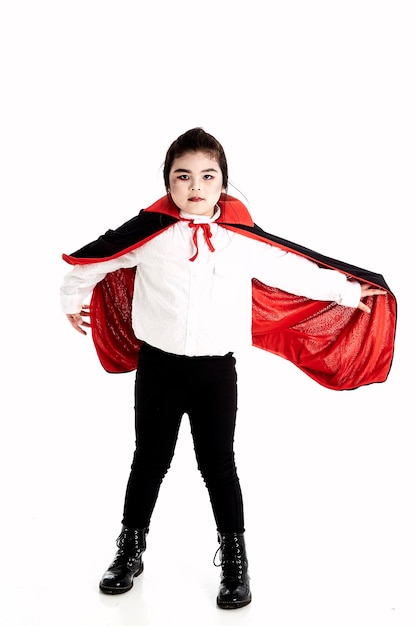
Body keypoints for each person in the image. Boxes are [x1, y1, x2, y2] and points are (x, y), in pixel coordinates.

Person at [60, 128, 395, 609]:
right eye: (183, 176)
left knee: (218, 465)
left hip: (215, 372)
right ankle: (129, 551)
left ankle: (236, 563)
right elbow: (93, 259)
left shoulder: (241, 241)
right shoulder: (150, 234)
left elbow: (294, 270)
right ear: (168, 184)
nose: (195, 185)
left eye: (207, 175)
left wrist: (346, 291)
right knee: (149, 461)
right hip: (159, 366)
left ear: (222, 184)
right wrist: (72, 299)